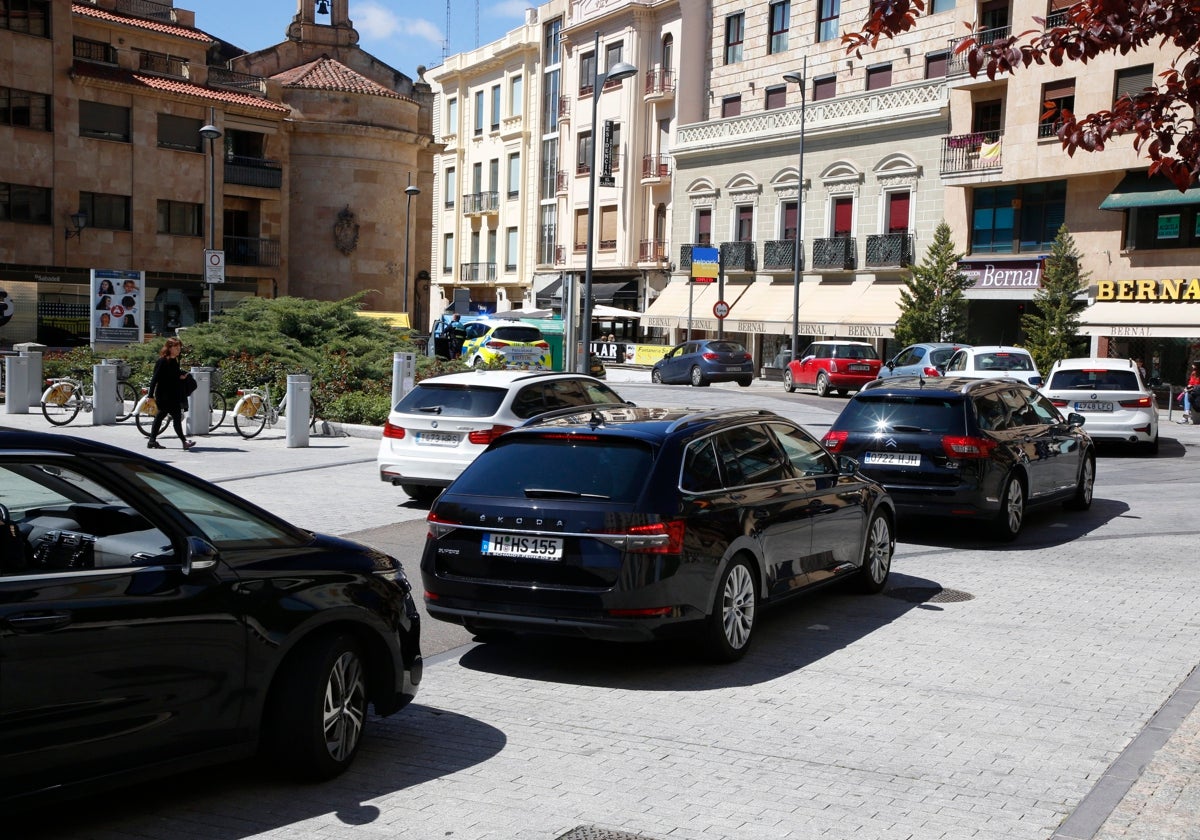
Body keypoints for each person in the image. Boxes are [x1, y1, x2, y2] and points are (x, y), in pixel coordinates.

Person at [146, 337, 195, 450]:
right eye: (176, 347)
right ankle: (184, 442)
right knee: (172, 417)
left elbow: (173, 375)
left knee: (162, 417)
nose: (179, 350)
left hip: (173, 394)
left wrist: (181, 376)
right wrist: (150, 395)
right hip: (163, 395)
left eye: (179, 348)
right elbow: (155, 379)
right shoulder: (162, 361)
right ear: (169, 348)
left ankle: (152, 441)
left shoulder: (174, 361)